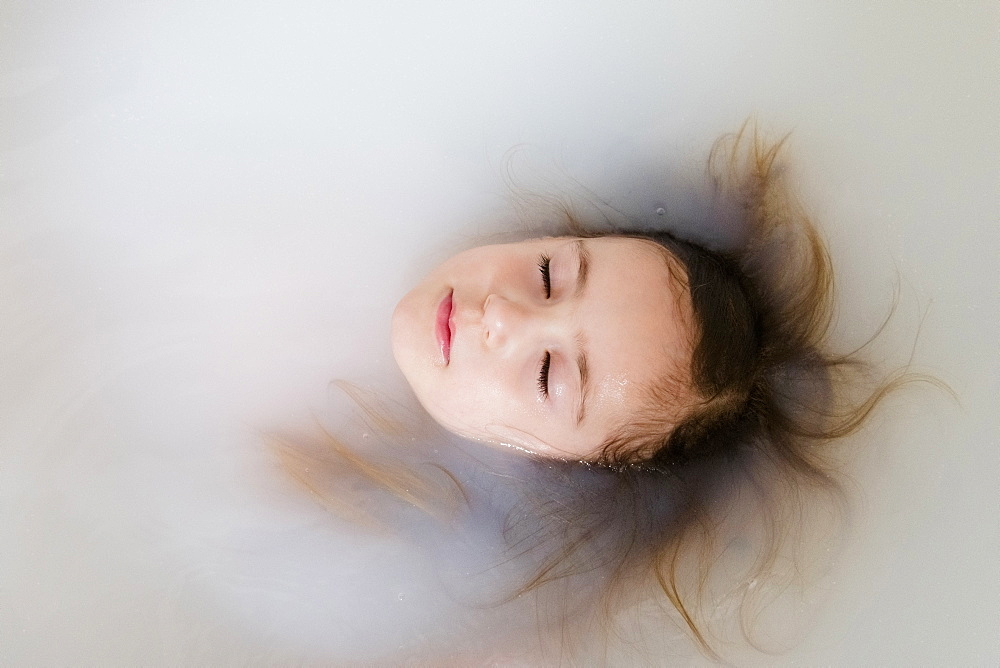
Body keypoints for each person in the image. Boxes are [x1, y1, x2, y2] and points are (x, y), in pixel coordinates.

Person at [274, 124, 922, 661]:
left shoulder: (415, 571)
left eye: (549, 374)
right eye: (550, 274)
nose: (502, 315)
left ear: (550, 463)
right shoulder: (378, 175)